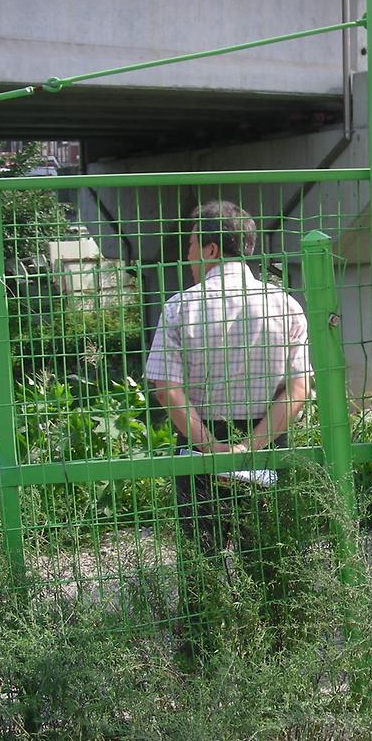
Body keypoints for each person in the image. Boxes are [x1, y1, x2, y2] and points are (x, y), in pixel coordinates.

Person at [145, 200, 310, 553]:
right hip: (267, 440)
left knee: (202, 558)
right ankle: (271, 610)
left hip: (200, 438)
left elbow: (165, 389)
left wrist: (213, 447)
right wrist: (248, 447)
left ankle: (205, 609)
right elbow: (298, 389)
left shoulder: (179, 307)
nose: (188, 256)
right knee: (268, 553)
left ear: (211, 248)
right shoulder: (286, 305)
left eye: (191, 246)